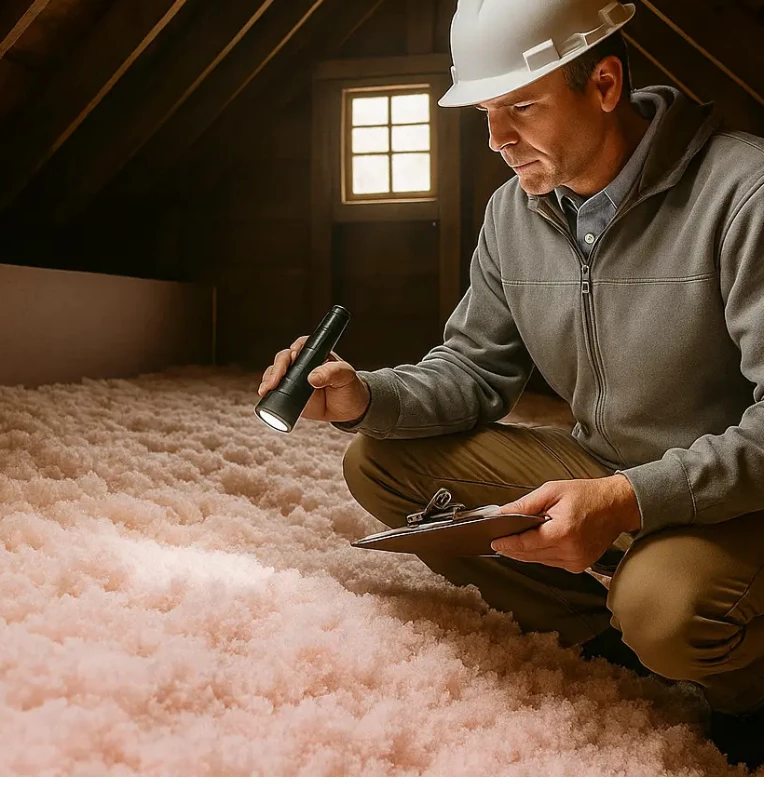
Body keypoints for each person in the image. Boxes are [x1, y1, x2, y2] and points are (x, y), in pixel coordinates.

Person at [257, 0, 764, 770]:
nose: (496, 139)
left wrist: (629, 500)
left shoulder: (745, 192)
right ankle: (609, 631)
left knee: (666, 608)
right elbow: (472, 371)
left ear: (603, 83)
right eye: (487, 112)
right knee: (379, 460)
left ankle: (744, 687)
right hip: (605, 471)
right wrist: (363, 397)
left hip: (735, 499)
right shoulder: (513, 213)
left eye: (520, 107)